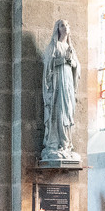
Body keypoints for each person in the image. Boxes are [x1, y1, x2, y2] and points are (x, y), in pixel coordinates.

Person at [41, 19, 81, 161]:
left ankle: (66, 144)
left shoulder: (70, 48)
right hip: (57, 84)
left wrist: (71, 62)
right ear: (57, 29)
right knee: (59, 112)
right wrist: (62, 61)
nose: (65, 27)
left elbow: (77, 66)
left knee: (68, 112)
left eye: (67, 25)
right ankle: (55, 143)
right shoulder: (54, 46)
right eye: (62, 25)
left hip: (68, 84)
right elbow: (48, 64)